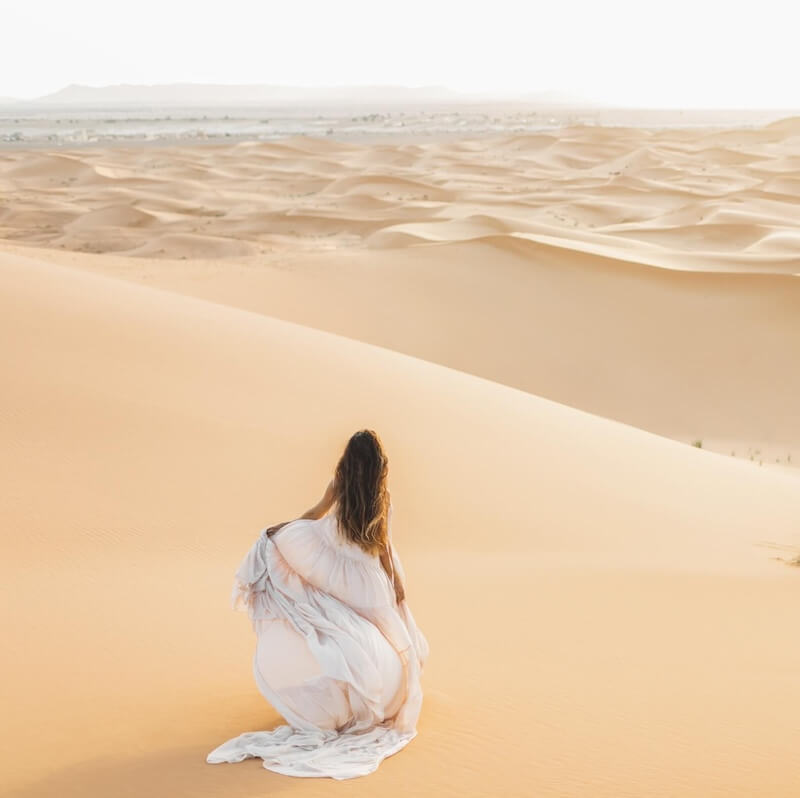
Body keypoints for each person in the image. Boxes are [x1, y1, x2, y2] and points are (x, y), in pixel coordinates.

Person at [206, 429, 430, 779]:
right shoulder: (381, 496)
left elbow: (314, 515)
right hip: (369, 579)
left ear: (348, 460)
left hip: (338, 573)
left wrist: (279, 530)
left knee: (341, 631)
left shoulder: (340, 483)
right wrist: (395, 585)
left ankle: (353, 699)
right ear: (379, 466)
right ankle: (380, 698)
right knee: (383, 637)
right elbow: (384, 545)